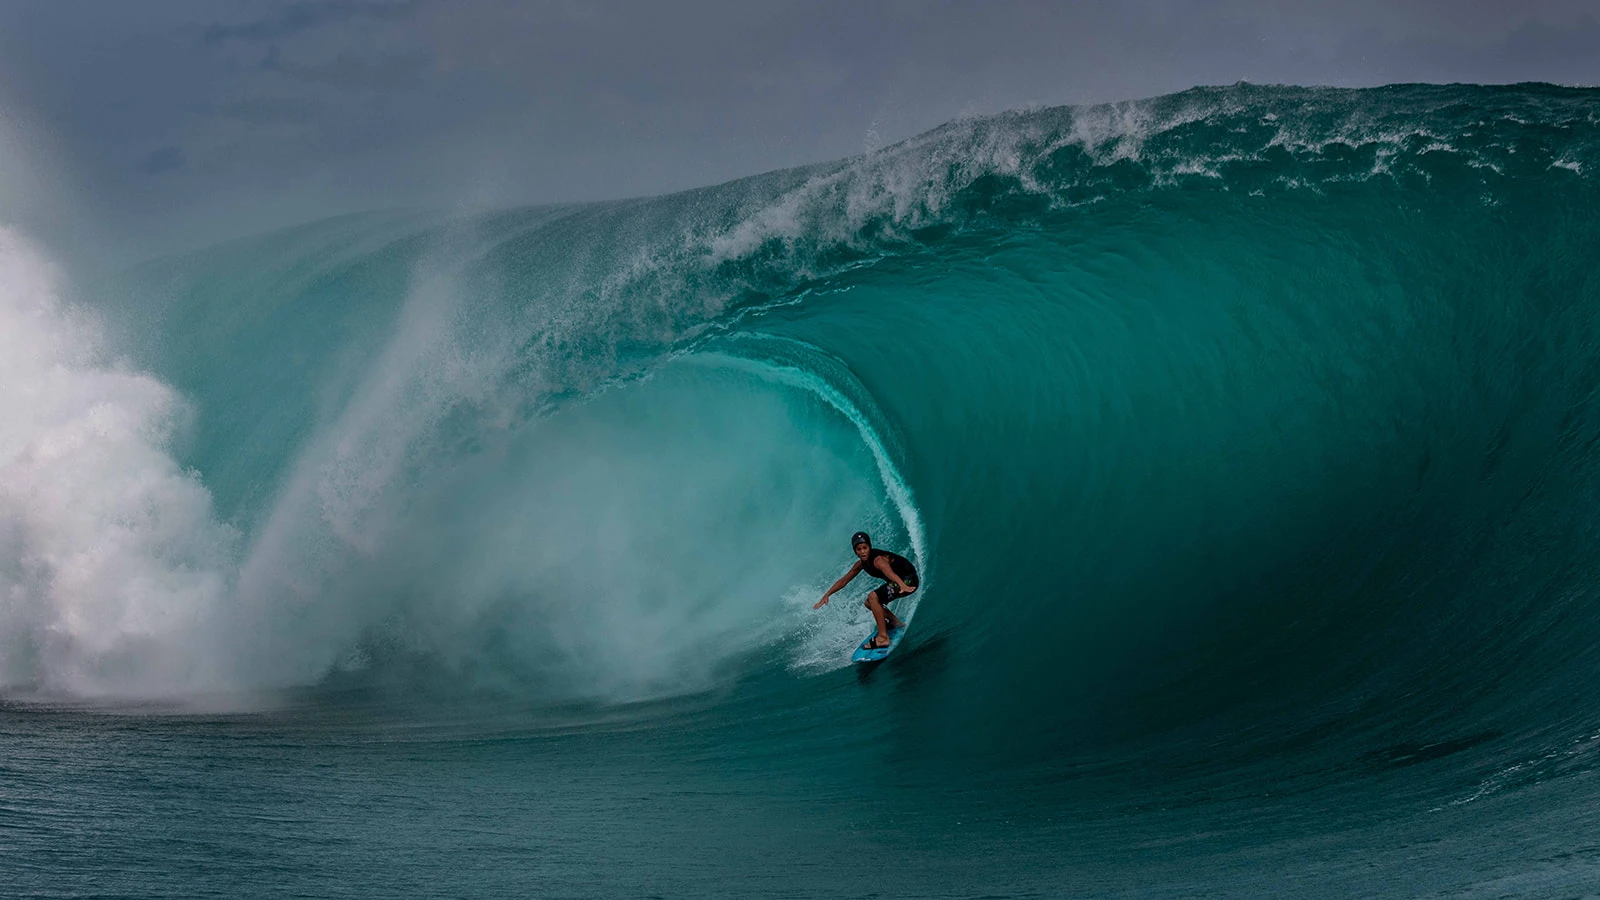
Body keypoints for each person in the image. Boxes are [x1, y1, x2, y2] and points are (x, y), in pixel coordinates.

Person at [813, 531, 918, 649]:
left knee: (873, 597)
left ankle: (883, 638)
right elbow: (844, 580)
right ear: (855, 551)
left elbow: (889, 572)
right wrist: (827, 594)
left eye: (865, 548)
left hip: (907, 580)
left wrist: (902, 585)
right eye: (859, 549)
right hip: (898, 582)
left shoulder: (878, 560)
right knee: (869, 603)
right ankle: (895, 622)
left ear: (870, 547)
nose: (862, 552)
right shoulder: (861, 564)